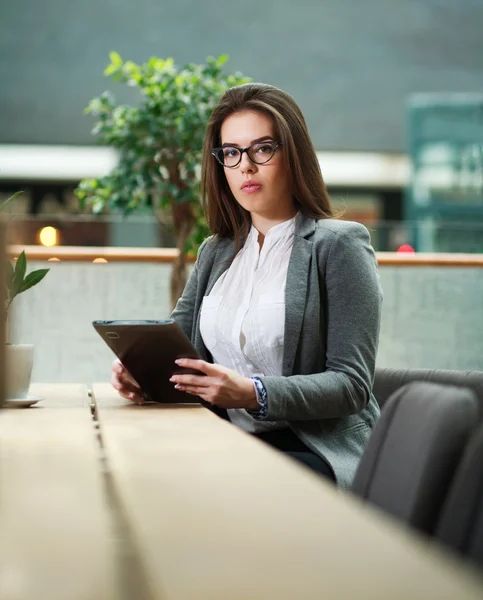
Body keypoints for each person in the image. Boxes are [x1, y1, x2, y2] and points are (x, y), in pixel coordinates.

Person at [111, 82, 383, 489]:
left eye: (263, 149)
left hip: (313, 448)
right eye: (232, 153)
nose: (245, 167)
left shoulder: (339, 245)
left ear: (293, 154)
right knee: (131, 462)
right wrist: (144, 373)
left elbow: (352, 385)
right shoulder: (215, 252)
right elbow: (178, 351)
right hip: (228, 439)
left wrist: (253, 393)